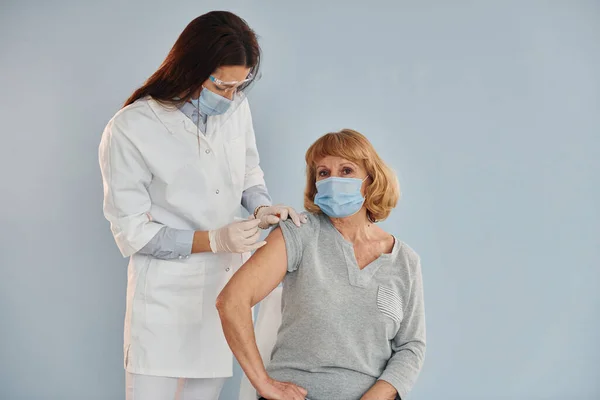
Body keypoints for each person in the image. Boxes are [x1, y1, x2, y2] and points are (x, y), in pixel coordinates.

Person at [98, 11, 306, 400]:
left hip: (222, 295)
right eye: (221, 85)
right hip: (163, 301)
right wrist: (212, 240)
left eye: (238, 86)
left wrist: (260, 209)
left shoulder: (236, 108)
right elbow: (132, 231)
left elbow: (249, 173)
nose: (230, 97)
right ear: (191, 68)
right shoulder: (131, 128)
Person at [217, 129, 427, 400]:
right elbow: (231, 301)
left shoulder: (405, 261)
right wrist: (263, 383)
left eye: (347, 170)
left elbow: (411, 346)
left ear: (370, 180)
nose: (333, 181)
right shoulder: (299, 233)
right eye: (323, 173)